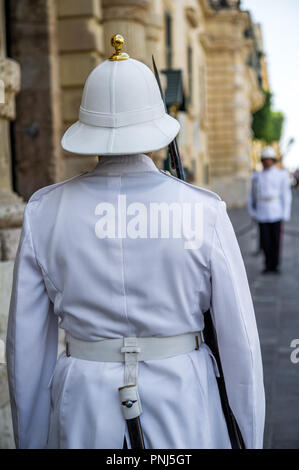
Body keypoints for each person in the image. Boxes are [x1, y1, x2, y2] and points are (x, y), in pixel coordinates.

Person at [6, 35, 265, 449]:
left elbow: (26, 354)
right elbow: (242, 348)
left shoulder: (43, 211)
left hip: (84, 406)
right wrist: (249, 437)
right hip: (184, 400)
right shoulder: (204, 209)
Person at [248, 146, 292, 274]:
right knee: (265, 241)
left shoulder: (281, 175)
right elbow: (252, 195)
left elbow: (286, 195)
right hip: (262, 212)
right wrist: (252, 211)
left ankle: (275, 265)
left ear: (273, 160)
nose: (267, 161)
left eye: (269, 159)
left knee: (276, 241)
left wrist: (285, 213)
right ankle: (267, 264)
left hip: (276, 211)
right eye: (264, 159)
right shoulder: (256, 176)